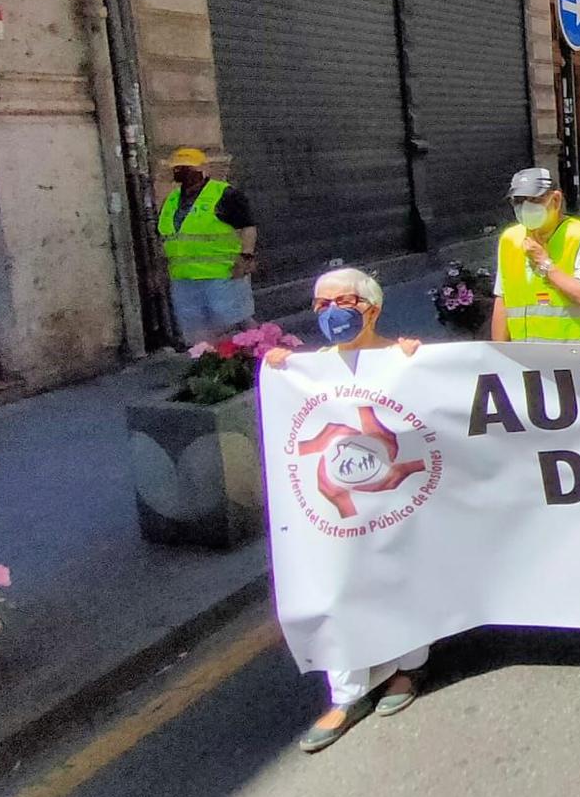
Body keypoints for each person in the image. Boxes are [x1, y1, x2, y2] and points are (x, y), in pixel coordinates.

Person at [263, 267, 425, 753]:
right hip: (339, 508)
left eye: (343, 302)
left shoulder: (400, 359)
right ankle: (346, 694)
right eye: (321, 304)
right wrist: (282, 368)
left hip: (395, 499)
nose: (331, 313)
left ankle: (407, 669)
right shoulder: (310, 370)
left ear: (372, 308)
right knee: (339, 584)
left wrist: (416, 361)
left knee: (400, 575)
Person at [491, 167, 580, 343]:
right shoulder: (510, 239)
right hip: (527, 358)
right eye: (518, 201)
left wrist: (545, 263)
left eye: (534, 200)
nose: (524, 207)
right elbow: (502, 299)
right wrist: (498, 354)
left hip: (576, 358)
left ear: (555, 200)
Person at [157, 147, 258, 344]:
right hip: (184, 278)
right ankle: (209, 365)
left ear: (202, 170)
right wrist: (161, 269)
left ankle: (253, 359)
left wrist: (246, 256)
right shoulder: (171, 200)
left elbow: (247, 226)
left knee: (234, 324)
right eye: (177, 169)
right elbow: (168, 237)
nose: (181, 172)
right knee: (196, 331)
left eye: (186, 168)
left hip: (222, 274)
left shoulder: (224, 194)